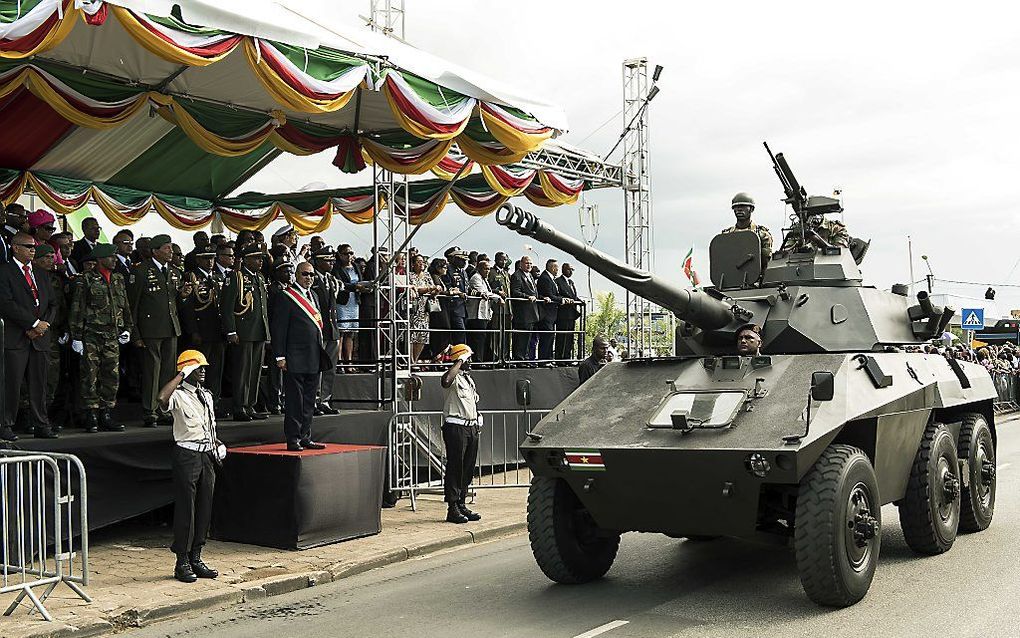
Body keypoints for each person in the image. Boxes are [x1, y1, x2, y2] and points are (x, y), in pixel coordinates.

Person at [158, 350, 224, 584]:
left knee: (205, 507)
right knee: (187, 509)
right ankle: (182, 561)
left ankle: (197, 556)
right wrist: (180, 376)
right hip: (186, 454)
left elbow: (208, 426)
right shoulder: (177, 395)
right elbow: (161, 399)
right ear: (187, 371)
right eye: (198, 368)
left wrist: (217, 444)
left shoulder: (206, 395)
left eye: (204, 367)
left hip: (206, 454)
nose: (203, 371)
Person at [0, 233, 58, 440]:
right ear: (15, 248)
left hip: (40, 337)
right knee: (11, 384)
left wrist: (44, 325)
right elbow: (6, 304)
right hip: (16, 336)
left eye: (34, 247)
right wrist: (32, 324)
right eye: (28, 246)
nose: (33, 250)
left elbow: (52, 303)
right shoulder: (4, 272)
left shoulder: (41, 273)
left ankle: (41, 424)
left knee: (39, 384)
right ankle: (5, 425)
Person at [69, 243, 132, 433]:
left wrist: (127, 328)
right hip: (91, 335)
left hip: (112, 335)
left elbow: (125, 306)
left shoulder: (119, 279)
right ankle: (91, 414)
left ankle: (106, 413)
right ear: (100, 259)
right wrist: (76, 336)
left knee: (111, 375)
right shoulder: (86, 279)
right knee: (90, 374)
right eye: (111, 256)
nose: (115, 259)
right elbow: (77, 308)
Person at [128, 234, 189, 427]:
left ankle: (164, 408)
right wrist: (135, 333)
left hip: (171, 327)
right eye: (166, 248)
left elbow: (174, 302)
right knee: (152, 371)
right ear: (155, 251)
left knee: (168, 371)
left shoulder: (174, 272)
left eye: (171, 248)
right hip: (150, 329)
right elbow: (133, 305)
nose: (170, 252)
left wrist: (184, 296)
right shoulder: (141, 272)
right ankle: (150, 410)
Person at [271, 261, 330, 451]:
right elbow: (279, 329)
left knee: (309, 400)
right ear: (296, 275)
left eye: (312, 275)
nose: (309, 278)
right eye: (305, 274)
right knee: (295, 401)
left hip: (313, 356)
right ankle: (293, 438)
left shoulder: (314, 296)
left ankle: (306, 436)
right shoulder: (286, 296)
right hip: (294, 356)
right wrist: (280, 356)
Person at [220, 245, 269, 422]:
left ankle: (250, 404)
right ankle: (239, 406)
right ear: (246, 259)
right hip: (243, 330)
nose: (260, 261)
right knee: (242, 370)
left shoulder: (260, 277)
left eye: (261, 258)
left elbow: (263, 307)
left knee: (254, 370)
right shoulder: (236, 276)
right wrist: (231, 330)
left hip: (258, 330)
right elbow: (226, 306)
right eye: (256, 258)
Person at [179, 246, 226, 416]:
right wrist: (193, 331)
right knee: (199, 371)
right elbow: (188, 308)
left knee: (216, 370)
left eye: (212, 258)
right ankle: (199, 403)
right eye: (206, 258)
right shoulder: (192, 277)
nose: (210, 262)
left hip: (218, 331)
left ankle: (214, 403)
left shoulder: (218, 277)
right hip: (202, 331)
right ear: (198, 260)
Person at [440, 344, 482, 524]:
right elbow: (445, 381)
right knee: (455, 467)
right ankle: (452, 507)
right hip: (456, 427)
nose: (470, 362)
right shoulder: (454, 377)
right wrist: (459, 360)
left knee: (468, 467)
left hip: (471, 427)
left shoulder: (468, 379)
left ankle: (462, 502)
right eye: (467, 359)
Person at [261, 255, 294, 415]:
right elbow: (270, 314)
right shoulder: (272, 290)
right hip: (276, 335)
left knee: (288, 370)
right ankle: (275, 401)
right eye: (285, 271)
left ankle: (285, 399)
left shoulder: (291, 289)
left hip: (290, 335)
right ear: (277, 273)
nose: (289, 274)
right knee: (276, 371)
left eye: (290, 271)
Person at [311, 248, 341, 415]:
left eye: (332, 260)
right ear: (318, 261)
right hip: (320, 329)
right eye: (327, 260)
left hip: (332, 328)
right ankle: (314, 400)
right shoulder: (312, 279)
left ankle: (325, 400)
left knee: (330, 367)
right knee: (317, 367)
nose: (331, 263)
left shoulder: (331, 279)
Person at [721, 192, 773, 268]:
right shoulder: (726, 235)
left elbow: (766, 261)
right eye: (736, 207)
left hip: (758, 278)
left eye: (743, 206)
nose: (739, 209)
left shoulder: (762, 235)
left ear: (751, 209)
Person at [334, 244, 364, 369]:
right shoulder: (336, 268)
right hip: (343, 302)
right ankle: (339, 361)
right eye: (346, 253)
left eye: (351, 253)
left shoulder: (356, 266)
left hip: (354, 302)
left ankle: (349, 362)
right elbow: (340, 284)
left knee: (351, 333)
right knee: (341, 332)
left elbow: (360, 280)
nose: (349, 256)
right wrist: (355, 287)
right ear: (340, 255)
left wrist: (363, 287)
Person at [467, 258, 502, 362]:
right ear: (479, 269)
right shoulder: (476, 278)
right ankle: (478, 361)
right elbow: (483, 292)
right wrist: (498, 297)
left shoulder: (484, 279)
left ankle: (484, 359)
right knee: (478, 339)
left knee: (484, 338)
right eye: (485, 269)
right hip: (477, 314)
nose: (488, 271)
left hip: (485, 313)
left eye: (488, 269)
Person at [510, 255, 540, 364]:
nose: (529, 266)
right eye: (527, 263)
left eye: (531, 264)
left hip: (532, 312)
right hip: (522, 313)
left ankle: (525, 358)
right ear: (521, 264)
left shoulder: (530, 276)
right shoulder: (517, 276)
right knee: (521, 338)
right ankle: (519, 359)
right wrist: (527, 296)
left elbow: (534, 292)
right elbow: (515, 292)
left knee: (528, 338)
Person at [407, 253, 437, 363]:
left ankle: (415, 360)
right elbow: (417, 289)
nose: (421, 264)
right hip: (413, 309)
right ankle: (410, 360)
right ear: (413, 264)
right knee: (412, 336)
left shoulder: (427, 275)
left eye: (422, 261)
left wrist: (435, 290)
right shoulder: (410, 275)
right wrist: (429, 288)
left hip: (424, 310)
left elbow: (433, 289)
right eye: (418, 261)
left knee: (422, 336)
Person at [536, 259, 563, 363]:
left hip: (551, 315)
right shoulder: (545, 278)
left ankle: (548, 358)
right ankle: (544, 360)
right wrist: (561, 300)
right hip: (546, 314)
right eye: (556, 268)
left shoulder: (551, 279)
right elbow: (550, 295)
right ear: (552, 267)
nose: (557, 270)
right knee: (546, 338)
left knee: (550, 337)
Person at [487, 252, 513, 362]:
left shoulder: (506, 273)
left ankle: (505, 357)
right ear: (496, 260)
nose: (504, 262)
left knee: (506, 335)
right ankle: (495, 357)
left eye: (505, 260)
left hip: (507, 309)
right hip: (496, 308)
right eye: (502, 260)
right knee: (496, 335)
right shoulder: (492, 272)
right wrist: (497, 292)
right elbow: (487, 288)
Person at [442, 247, 469, 345]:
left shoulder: (463, 272)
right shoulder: (448, 269)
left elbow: (467, 287)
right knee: (459, 332)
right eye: (462, 259)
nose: (464, 262)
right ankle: (459, 356)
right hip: (453, 306)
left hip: (463, 307)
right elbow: (447, 286)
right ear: (454, 258)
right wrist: (457, 292)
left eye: (465, 260)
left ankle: (463, 355)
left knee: (463, 332)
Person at [555, 262, 582, 360]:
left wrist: (580, 301)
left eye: (572, 270)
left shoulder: (571, 282)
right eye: (568, 269)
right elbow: (557, 295)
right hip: (563, 314)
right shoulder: (558, 281)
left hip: (571, 314)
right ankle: (560, 358)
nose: (570, 272)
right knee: (562, 337)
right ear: (563, 269)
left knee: (570, 338)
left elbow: (574, 296)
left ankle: (567, 357)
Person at [780, 214, 849, 251]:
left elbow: (840, 253)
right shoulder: (796, 230)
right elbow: (786, 252)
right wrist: (798, 244)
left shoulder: (835, 228)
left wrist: (817, 240)